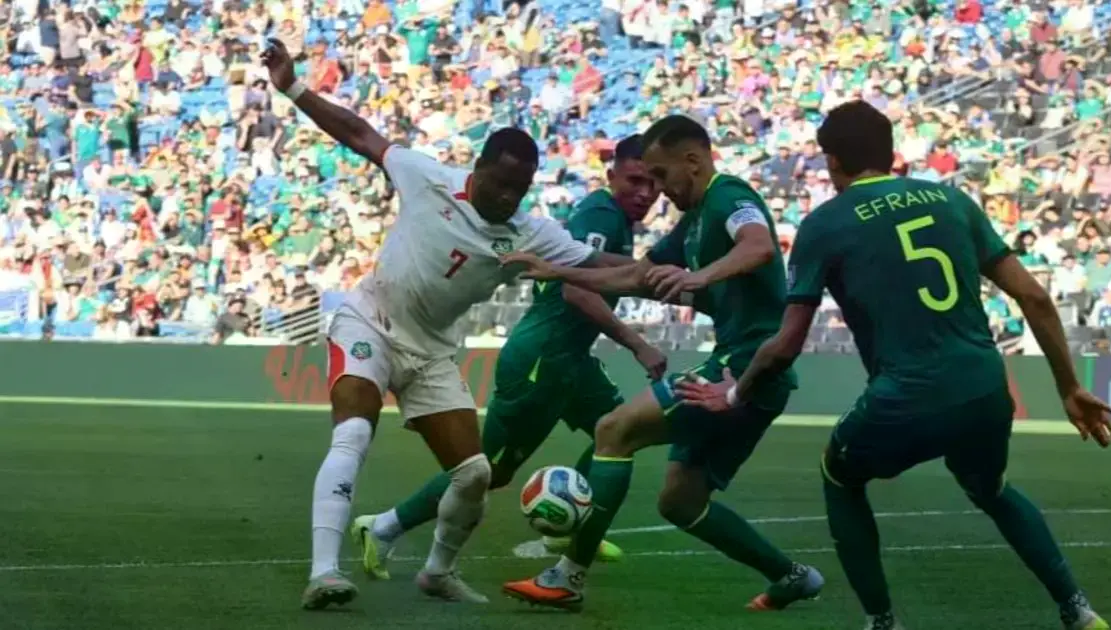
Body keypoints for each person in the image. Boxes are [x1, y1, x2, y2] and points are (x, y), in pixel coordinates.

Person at [676, 101, 1111, 630]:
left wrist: (733, 395)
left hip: (906, 396)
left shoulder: (824, 224)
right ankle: (1077, 608)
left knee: (838, 474)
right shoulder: (953, 200)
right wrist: (1068, 386)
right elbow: (1034, 297)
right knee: (990, 487)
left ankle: (882, 622)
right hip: (983, 386)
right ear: (890, 153)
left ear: (832, 161)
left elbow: (786, 343)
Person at [259, 39, 617, 611]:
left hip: (430, 354)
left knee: (475, 474)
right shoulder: (427, 176)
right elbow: (359, 135)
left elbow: (597, 267)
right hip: (369, 322)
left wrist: (673, 276)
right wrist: (294, 88)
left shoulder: (529, 231)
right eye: (500, 183)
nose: (507, 197)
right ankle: (324, 572)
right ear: (476, 169)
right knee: (353, 435)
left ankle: (436, 573)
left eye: (519, 190)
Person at [499, 114, 824, 612]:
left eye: (661, 175)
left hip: (745, 363)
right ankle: (791, 576)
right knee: (680, 502)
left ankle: (567, 579)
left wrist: (701, 277)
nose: (657, 189)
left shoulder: (730, 197)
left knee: (613, 430)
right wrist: (555, 270)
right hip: (747, 371)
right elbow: (634, 278)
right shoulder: (691, 224)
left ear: (692, 161)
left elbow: (759, 246)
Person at [350, 135, 667, 577]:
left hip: (571, 359)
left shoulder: (615, 219)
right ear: (611, 174)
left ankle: (571, 530)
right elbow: (577, 289)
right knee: (487, 471)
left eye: (654, 184)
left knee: (618, 432)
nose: (646, 193)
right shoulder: (599, 213)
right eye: (636, 180)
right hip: (543, 358)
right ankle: (384, 526)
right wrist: (638, 343)